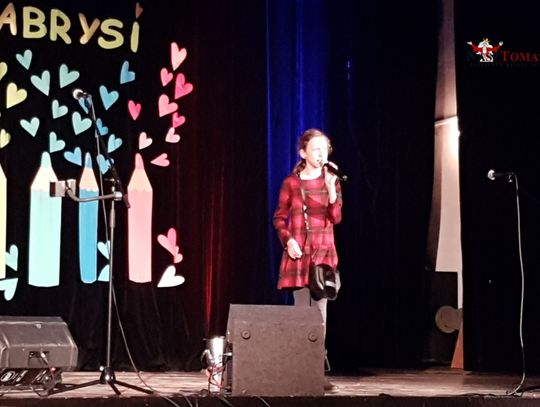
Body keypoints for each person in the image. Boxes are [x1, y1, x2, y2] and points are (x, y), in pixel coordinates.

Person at [272, 128, 342, 392]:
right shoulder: (291, 183)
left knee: (320, 315)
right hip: (300, 254)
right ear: (303, 153)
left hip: (323, 255)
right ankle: (298, 371)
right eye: (315, 149)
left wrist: (331, 191)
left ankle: (316, 372)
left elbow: (336, 217)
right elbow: (279, 218)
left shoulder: (331, 181)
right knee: (302, 313)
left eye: (324, 149)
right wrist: (288, 240)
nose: (321, 154)